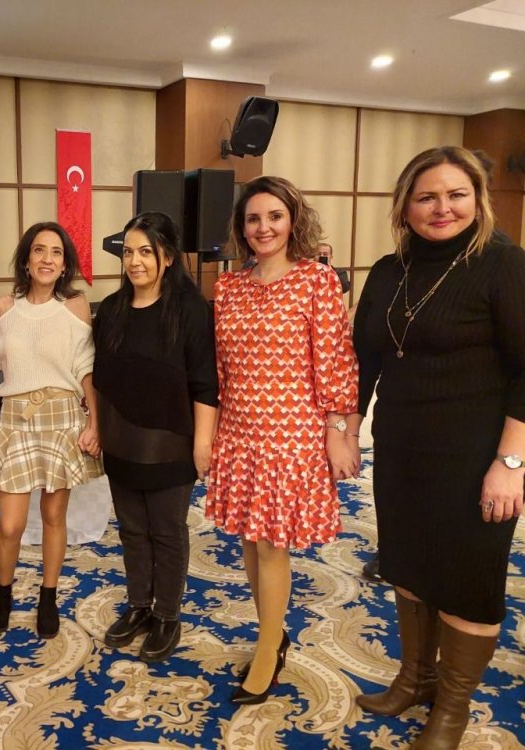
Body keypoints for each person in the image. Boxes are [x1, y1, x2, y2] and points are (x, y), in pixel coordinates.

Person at [352, 146, 525, 749]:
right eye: (427, 196)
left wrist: (510, 463)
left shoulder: (504, 265)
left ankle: (451, 708)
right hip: (401, 451)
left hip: (476, 458)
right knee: (407, 565)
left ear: (479, 199)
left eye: (456, 195)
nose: (442, 208)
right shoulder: (388, 270)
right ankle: (415, 679)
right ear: (405, 206)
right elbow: (364, 359)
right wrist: (346, 428)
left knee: (468, 582)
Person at [206, 176, 359, 704]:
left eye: (274, 216)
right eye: (253, 218)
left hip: (290, 434)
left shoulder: (316, 280)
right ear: (241, 227)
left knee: (272, 544)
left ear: (293, 220)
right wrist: (214, 433)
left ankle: (268, 651)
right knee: (250, 542)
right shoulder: (229, 287)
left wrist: (338, 432)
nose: (264, 227)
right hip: (238, 431)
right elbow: (221, 366)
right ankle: (274, 632)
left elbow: (336, 361)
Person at [0, 222, 102, 638]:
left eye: (56, 253)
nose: (47, 259)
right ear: (27, 260)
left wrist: (95, 421)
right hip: (16, 418)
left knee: (53, 516)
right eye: (39, 250)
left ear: (64, 264)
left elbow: (85, 367)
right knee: (10, 525)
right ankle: (4, 591)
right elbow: (0, 359)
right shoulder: (4, 307)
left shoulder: (75, 306)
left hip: (62, 417)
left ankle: (48, 596)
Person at [93, 212, 218, 663]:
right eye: (128, 252)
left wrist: (203, 444)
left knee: (166, 532)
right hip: (121, 441)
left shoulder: (190, 310)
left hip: (171, 443)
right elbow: (100, 379)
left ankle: (167, 614)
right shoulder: (111, 309)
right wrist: (97, 428)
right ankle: (139, 606)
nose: (135, 261)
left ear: (167, 257)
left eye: (146, 251)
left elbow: (205, 383)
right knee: (131, 530)